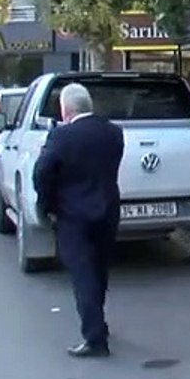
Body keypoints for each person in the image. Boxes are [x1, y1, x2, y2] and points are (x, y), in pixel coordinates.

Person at [33, 84, 125, 358]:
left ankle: (94, 338)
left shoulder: (61, 137)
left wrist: (46, 204)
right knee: (99, 270)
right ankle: (99, 323)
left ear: (66, 109)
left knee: (82, 274)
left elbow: (42, 173)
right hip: (108, 211)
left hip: (74, 215)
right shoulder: (113, 133)